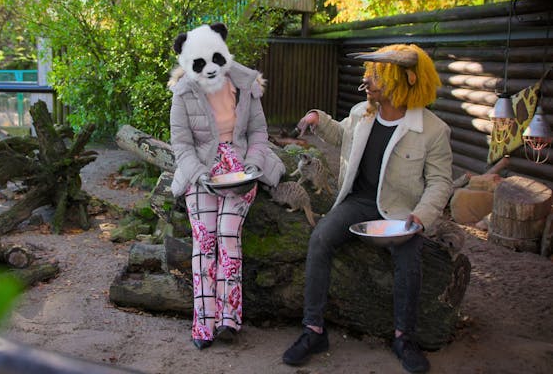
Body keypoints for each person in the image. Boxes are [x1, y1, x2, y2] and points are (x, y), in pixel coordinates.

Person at [281, 44, 453, 373]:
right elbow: (343, 135)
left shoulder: (433, 130)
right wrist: (319, 119)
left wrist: (421, 216)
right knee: (319, 239)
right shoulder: (363, 112)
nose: (369, 81)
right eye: (369, 74)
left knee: (409, 259)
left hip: (401, 211)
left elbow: (440, 182)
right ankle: (313, 329)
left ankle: (404, 337)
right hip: (358, 202)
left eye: (378, 75)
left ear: (406, 80)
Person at [168, 23, 285, 350]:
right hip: (202, 170)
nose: (209, 68)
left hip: (240, 168)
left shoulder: (245, 85)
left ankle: (229, 319)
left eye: (216, 58)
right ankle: (203, 323)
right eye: (200, 63)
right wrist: (196, 173)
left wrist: (256, 162)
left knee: (228, 233)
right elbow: (181, 145)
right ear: (187, 60)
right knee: (204, 239)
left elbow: (259, 132)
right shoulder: (183, 94)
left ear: (225, 51)